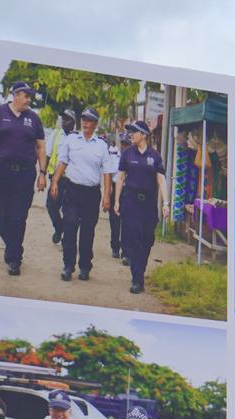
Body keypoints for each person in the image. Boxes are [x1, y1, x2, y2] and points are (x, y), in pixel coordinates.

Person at [0, 81, 47, 276]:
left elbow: (41, 147)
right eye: (26, 96)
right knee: (0, 213)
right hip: (3, 172)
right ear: (16, 95)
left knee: (18, 216)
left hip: (25, 174)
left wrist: (42, 173)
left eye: (30, 96)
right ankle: (12, 247)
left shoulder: (34, 119)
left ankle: (14, 258)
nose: (29, 100)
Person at [50, 108, 112, 281]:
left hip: (91, 194)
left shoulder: (101, 145)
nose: (85, 123)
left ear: (95, 124)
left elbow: (107, 172)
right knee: (69, 226)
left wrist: (107, 195)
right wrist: (54, 182)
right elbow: (63, 161)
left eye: (89, 120)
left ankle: (85, 266)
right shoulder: (71, 140)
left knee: (87, 231)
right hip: (72, 190)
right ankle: (68, 266)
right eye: (83, 119)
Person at [112, 122, 170, 294]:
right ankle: (137, 279)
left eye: (134, 132)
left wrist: (166, 203)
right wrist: (117, 201)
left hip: (149, 204)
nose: (131, 135)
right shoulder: (127, 154)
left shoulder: (155, 156)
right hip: (131, 202)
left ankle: (140, 269)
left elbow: (161, 180)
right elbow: (121, 178)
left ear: (144, 135)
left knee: (147, 239)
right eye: (130, 132)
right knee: (135, 238)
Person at [45, 109, 76, 245]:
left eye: (67, 119)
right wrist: (42, 173)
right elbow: (47, 154)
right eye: (63, 119)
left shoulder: (78, 138)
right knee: (51, 206)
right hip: (55, 179)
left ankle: (66, 240)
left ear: (74, 122)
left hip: (71, 181)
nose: (64, 121)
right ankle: (59, 228)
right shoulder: (56, 134)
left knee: (69, 211)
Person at [106, 130, 126, 260]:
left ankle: (126, 250)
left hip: (128, 190)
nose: (124, 146)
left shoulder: (132, 157)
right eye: (123, 143)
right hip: (114, 188)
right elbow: (109, 173)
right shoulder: (113, 155)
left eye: (127, 144)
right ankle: (115, 246)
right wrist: (108, 192)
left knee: (127, 220)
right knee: (114, 219)